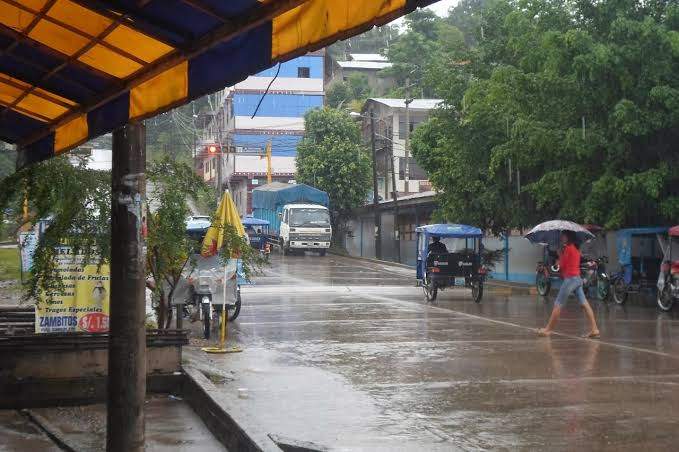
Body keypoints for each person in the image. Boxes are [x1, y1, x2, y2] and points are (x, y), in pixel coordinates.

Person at [538, 230, 600, 338]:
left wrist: (559, 255)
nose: (562, 238)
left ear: (568, 237)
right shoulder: (575, 249)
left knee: (558, 303)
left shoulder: (568, 249)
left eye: (563, 236)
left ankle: (548, 330)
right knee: (584, 303)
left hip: (571, 280)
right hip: (577, 279)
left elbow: (561, 266)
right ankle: (594, 329)